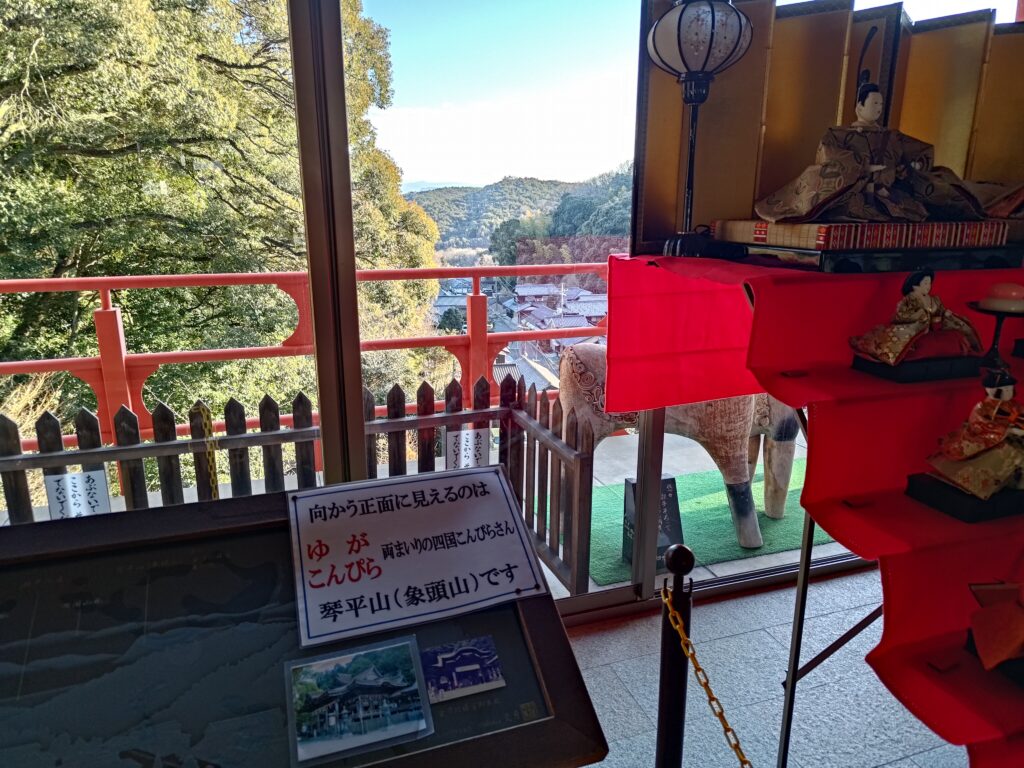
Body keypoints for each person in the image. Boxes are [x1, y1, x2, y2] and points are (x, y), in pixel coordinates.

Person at [755, 81, 986, 224]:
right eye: (873, 104)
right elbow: (829, 156)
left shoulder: (892, 136)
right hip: (853, 190)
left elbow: (920, 153)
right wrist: (861, 168)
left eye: (880, 104)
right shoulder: (839, 135)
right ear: (859, 106)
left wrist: (911, 167)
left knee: (927, 198)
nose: (877, 109)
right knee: (843, 199)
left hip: (890, 191)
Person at [849, 269, 982, 366]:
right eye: (925, 283)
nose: (928, 287)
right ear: (914, 285)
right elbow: (901, 315)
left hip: (934, 330)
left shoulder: (934, 299)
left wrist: (944, 314)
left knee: (956, 338)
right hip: (915, 330)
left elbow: (940, 311)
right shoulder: (909, 300)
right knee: (904, 344)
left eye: (929, 283)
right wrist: (920, 316)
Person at [928, 368, 1024, 500]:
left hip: (1011, 436)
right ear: (989, 389)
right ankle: (991, 484)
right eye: (1004, 389)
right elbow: (979, 424)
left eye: (1009, 388)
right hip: (986, 438)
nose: (1007, 392)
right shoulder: (982, 407)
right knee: (1005, 453)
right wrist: (1009, 431)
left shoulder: (1014, 406)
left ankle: (1014, 481)